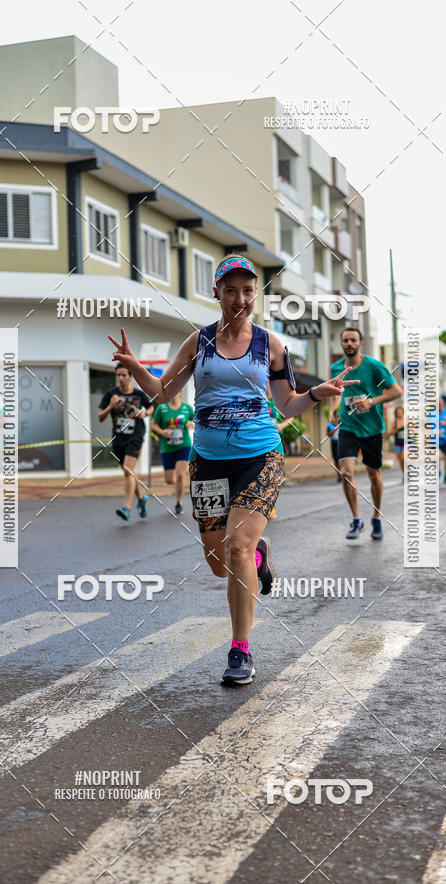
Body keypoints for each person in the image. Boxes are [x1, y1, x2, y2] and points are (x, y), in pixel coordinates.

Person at [109, 254, 358, 685]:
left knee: (236, 548)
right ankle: (260, 554)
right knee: (219, 561)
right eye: (231, 291)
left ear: (255, 294)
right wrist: (136, 369)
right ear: (217, 294)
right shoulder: (198, 342)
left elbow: (286, 404)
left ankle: (240, 649)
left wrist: (318, 392)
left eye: (247, 290)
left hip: (260, 455)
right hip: (207, 462)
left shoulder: (269, 344)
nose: (239, 298)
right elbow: (164, 395)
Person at [329, 327, 403, 541]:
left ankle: (377, 517)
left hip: (372, 428)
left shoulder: (374, 366)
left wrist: (371, 401)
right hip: (348, 427)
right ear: (341, 343)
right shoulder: (335, 368)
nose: (349, 343)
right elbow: (336, 391)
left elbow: (397, 391)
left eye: (353, 340)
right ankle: (356, 519)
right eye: (345, 340)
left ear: (360, 343)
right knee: (346, 473)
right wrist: (334, 408)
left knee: (373, 474)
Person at [98, 364, 153, 521]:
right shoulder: (110, 394)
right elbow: (100, 417)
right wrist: (110, 406)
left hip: (135, 436)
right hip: (118, 438)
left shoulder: (138, 394)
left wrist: (143, 413)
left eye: (123, 375)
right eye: (118, 375)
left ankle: (126, 508)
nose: (120, 378)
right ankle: (141, 499)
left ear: (130, 376)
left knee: (129, 469)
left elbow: (151, 408)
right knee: (128, 472)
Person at [151, 391, 195, 513]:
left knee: (181, 474)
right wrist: (162, 432)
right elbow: (153, 425)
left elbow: (196, 422)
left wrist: (191, 424)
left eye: (175, 390)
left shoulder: (187, 408)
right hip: (167, 446)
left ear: (180, 392)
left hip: (184, 444)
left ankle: (179, 503)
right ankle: (179, 484)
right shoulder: (161, 408)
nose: (173, 393)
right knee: (170, 480)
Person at [266, 383, 293, 515]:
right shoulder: (257, 398)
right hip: (260, 440)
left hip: (276, 439)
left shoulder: (277, 401)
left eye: (268, 383)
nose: (267, 386)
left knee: (274, 473)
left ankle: (272, 506)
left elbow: (291, 415)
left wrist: (282, 425)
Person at [390, 405, 405, 481]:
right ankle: (404, 474)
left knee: (403, 458)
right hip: (398, 443)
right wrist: (397, 429)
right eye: (398, 412)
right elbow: (391, 432)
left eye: (400, 412)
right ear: (396, 413)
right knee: (401, 460)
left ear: (403, 412)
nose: (399, 413)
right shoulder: (394, 422)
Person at [327, 413, 342, 483]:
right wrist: (334, 429)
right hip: (334, 442)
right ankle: (339, 474)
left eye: (338, 417)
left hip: (341, 442)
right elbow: (328, 434)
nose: (337, 419)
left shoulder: (342, 423)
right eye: (336, 417)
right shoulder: (330, 425)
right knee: (336, 460)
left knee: (341, 459)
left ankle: (343, 473)